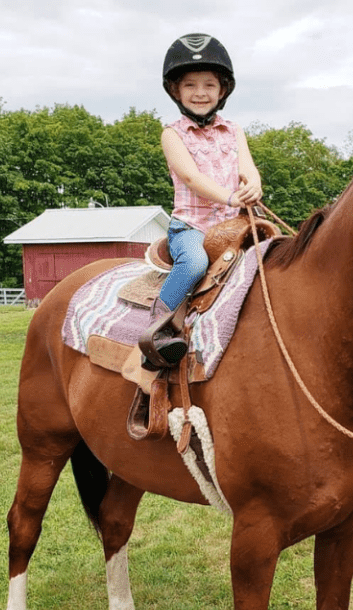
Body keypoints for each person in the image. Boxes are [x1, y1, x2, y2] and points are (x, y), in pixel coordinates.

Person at [141, 33, 263, 368]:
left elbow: (248, 169)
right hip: (192, 227)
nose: (200, 93)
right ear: (176, 91)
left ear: (223, 90)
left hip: (234, 224)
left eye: (209, 84)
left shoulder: (233, 130)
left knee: (276, 256)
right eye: (191, 85)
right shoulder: (173, 134)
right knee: (194, 264)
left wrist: (253, 185)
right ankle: (157, 329)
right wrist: (228, 196)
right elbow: (192, 178)